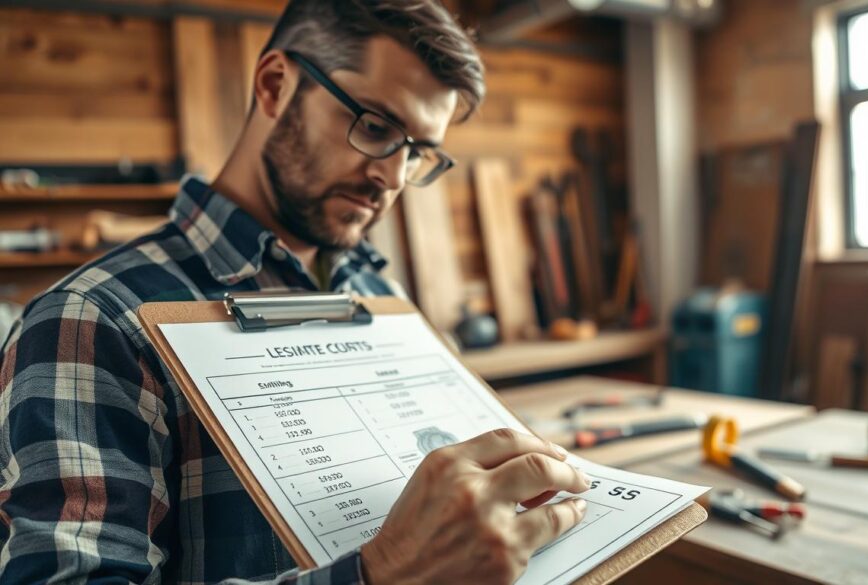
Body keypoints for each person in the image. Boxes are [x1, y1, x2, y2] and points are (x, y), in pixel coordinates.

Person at [0, 1, 590, 583]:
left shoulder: (381, 296)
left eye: (416, 152)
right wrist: (381, 574)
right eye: (377, 127)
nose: (392, 176)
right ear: (276, 85)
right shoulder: (93, 320)